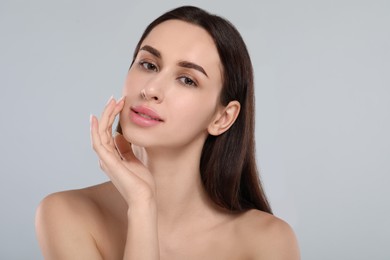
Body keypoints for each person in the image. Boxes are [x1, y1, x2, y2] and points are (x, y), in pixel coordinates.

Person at [35, 5, 300, 260]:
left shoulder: (269, 240)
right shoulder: (65, 213)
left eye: (187, 80)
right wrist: (142, 206)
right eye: (148, 64)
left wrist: (143, 205)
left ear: (222, 118)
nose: (151, 89)